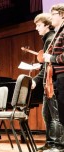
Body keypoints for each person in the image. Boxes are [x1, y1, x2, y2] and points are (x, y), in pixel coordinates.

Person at [31, 13, 59, 151]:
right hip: (48, 82)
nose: (36, 28)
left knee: (54, 116)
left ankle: (55, 144)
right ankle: (50, 142)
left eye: (39, 25)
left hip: (51, 83)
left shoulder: (50, 39)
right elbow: (45, 65)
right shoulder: (47, 38)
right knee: (46, 114)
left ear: (47, 25)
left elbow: (50, 64)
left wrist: (36, 79)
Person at [42, 3, 64, 150]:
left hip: (63, 76)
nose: (51, 18)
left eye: (53, 14)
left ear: (62, 14)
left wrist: (51, 58)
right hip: (58, 77)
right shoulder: (59, 31)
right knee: (61, 113)